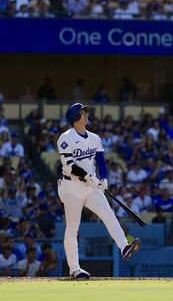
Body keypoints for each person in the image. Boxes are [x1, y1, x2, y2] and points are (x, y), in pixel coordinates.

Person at [57, 103, 141, 280]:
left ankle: (124, 247)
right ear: (74, 117)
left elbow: (101, 162)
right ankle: (74, 269)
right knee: (73, 228)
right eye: (82, 112)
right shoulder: (65, 138)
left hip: (91, 185)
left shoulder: (94, 138)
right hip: (72, 186)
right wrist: (89, 176)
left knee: (108, 214)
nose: (86, 114)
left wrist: (103, 179)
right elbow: (69, 165)